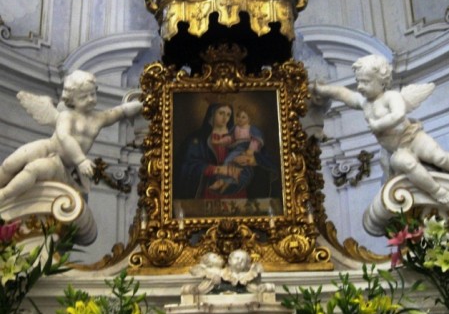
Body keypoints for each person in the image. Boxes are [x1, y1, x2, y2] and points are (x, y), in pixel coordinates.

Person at [312, 54, 449, 203]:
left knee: (439, 157)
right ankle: (438, 191)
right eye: (358, 81)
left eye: (365, 82)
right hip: (395, 150)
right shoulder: (364, 102)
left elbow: (399, 114)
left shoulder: (391, 97)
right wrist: (322, 90)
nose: (360, 86)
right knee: (406, 164)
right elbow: (342, 93)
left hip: (412, 137)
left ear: (382, 82)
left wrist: (378, 125)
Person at [0, 70, 142, 201]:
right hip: (47, 147)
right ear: (71, 99)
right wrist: (81, 160)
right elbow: (64, 137)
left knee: (33, 169)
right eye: (84, 97)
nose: (90, 99)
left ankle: (3, 195)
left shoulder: (99, 118)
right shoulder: (67, 116)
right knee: (10, 164)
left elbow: (120, 111)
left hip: (61, 164)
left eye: (93, 94)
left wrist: (142, 104)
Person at [176, 101, 279, 200]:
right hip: (210, 188)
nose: (225, 118)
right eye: (221, 113)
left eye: (228, 114)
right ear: (212, 114)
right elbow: (185, 166)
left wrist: (252, 160)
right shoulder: (198, 139)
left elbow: (267, 161)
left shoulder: (243, 136)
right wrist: (216, 169)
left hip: (238, 189)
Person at [209, 105, 264, 193]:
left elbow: (255, 140)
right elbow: (230, 138)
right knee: (229, 161)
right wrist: (219, 141)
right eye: (238, 117)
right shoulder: (236, 128)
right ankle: (223, 181)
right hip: (237, 148)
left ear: (249, 119)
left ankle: (223, 181)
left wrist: (250, 150)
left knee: (231, 162)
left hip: (246, 148)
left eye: (243, 117)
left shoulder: (251, 129)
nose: (240, 119)